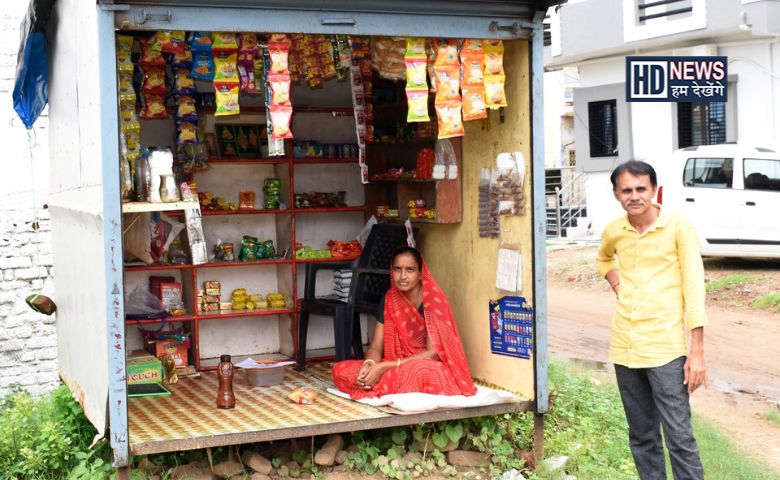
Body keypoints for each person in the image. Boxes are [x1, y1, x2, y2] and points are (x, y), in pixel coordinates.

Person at [597, 160, 708, 480]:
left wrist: (697, 350)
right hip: (625, 348)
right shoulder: (614, 231)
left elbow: (693, 283)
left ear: (654, 190)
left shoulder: (677, 226)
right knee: (642, 437)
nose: (634, 196)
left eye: (641, 188)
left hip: (665, 350)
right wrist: (616, 281)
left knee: (679, 438)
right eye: (626, 190)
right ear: (617, 194)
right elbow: (603, 257)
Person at [332, 246, 477, 399]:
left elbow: (433, 354)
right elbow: (375, 347)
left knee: (419, 371)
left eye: (410, 270)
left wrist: (385, 367)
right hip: (393, 364)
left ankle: (382, 384)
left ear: (421, 274)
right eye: (397, 269)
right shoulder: (389, 299)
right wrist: (369, 365)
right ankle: (381, 383)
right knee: (340, 369)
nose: (402, 276)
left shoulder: (433, 301)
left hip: (424, 365)